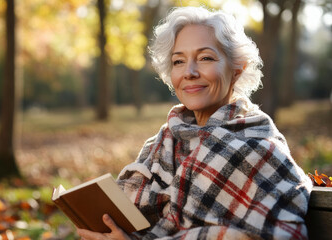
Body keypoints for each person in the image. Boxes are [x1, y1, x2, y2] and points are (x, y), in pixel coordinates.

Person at [78, 6, 312, 240]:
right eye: (178, 61)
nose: (189, 72)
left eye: (205, 58)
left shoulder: (260, 149)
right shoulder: (161, 143)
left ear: (237, 69)